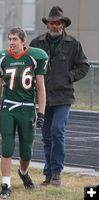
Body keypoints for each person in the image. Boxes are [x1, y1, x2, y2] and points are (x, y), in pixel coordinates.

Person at [30, 6, 90, 186]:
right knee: (46, 136)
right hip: (42, 97)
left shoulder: (73, 44)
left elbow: (84, 66)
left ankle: (57, 171)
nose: (54, 26)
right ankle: (48, 173)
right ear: (47, 24)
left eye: (57, 23)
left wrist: (69, 77)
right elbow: (27, 64)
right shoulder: (36, 43)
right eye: (51, 23)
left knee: (57, 131)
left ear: (63, 24)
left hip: (63, 97)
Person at [0, 27, 48, 199]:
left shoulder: (36, 57)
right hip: (8, 107)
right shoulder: (0, 59)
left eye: (15, 39)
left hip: (28, 107)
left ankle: (23, 172)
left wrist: (41, 112)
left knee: (26, 151)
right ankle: (6, 184)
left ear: (24, 41)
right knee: (7, 145)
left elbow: (41, 89)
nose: (12, 42)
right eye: (10, 39)